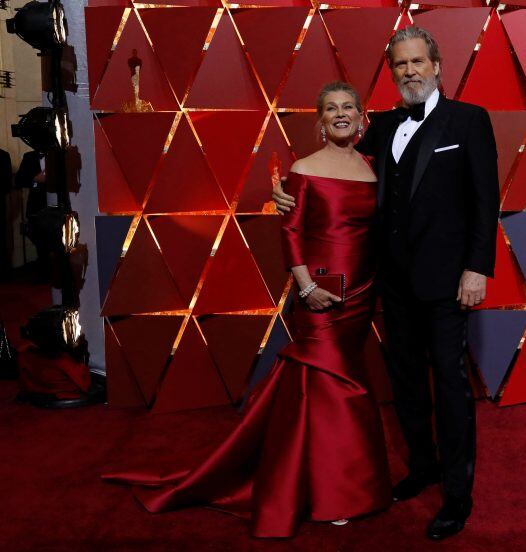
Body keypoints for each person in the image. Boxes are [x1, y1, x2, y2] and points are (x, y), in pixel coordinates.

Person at [103, 81, 391, 538]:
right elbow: (291, 233)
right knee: (340, 384)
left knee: (330, 380)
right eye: (331, 108)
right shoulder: (303, 168)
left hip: (361, 292)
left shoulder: (375, 167)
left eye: (348, 107)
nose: (341, 114)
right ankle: (344, 491)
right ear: (320, 120)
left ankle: (314, 478)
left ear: (361, 117)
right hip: (319, 291)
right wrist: (305, 286)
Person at [273, 26, 500, 540]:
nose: (410, 72)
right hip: (390, 283)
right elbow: (339, 175)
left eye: (418, 62)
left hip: (447, 283)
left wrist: (477, 268)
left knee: (449, 385)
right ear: (392, 71)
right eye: (400, 65)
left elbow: (486, 200)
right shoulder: (382, 127)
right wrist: (287, 195)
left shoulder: (469, 120)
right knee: (405, 383)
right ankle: (422, 466)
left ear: (437, 65)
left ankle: (457, 497)